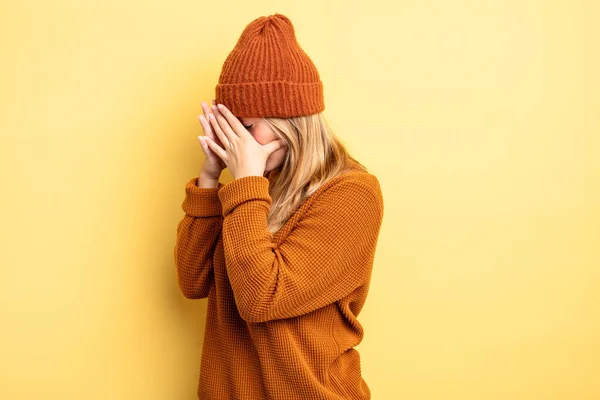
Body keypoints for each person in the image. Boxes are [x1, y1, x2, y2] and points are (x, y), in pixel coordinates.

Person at [174, 13, 384, 400]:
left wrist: (245, 183)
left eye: (247, 127)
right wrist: (209, 177)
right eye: (229, 125)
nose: (237, 142)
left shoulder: (352, 194)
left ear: (293, 120)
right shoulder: (252, 187)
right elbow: (192, 282)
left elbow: (262, 298)